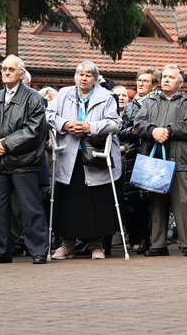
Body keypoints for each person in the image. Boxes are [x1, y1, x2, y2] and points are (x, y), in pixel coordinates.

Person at [0, 54, 50, 265]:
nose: (6, 72)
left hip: (24, 163)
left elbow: (34, 130)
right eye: (4, 69)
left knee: (30, 207)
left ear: (21, 73)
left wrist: (5, 144)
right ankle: (0, 251)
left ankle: (38, 250)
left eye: (11, 69)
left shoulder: (33, 97)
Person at [46, 61, 122, 260]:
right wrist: (66, 124)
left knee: (96, 201)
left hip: (94, 154)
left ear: (96, 79)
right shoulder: (64, 94)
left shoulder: (106, 96)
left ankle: (96, 245)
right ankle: (67, 245)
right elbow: (48, 115)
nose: (83, 78)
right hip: (69, 153)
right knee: (68, 200)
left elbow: (115, 123)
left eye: (88, 75)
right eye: (80, 74)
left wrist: (90, 127)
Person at [134, 64, 187, 257]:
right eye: (164, 76)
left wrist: (169, 130)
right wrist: (152, 131)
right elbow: (139, 123)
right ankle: (158, 244)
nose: (166, 80)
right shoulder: (150, 101)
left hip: (179, 159)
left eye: (171, 77)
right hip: (155, 160)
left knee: (183, 202)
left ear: (180, 82)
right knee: (157, 203)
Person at [120, 66, 161, 254]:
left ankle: (158, 239)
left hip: (154, 153)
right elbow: (121, 131)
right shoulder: (130, 106)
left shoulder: (160, 103)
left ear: (154, 85)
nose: (141, 83)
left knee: (155, 199)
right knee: (136, 200)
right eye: (139, 80)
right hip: (134, 155)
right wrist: (134, 131)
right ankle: (143, 238)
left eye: (146, 81)